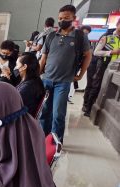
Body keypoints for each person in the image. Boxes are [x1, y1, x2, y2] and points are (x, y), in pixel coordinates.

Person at [39, 4, 91, 142]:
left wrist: (80, 75)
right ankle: (43, 140)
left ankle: (56, 142)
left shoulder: (80, 36)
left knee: (58, 114)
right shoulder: (51, 36)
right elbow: (43, 58)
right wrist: (37, 76)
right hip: (47, 79)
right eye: (60, 18)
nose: (62, 20)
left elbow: (88, 55)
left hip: (63, 82)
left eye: (66, 18)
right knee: (44, 112)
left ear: (74, 18)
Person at [82, 19, 120, 116]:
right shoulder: (107, 36)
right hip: (100, 65)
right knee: (95, 86)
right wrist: (110, 52)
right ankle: (88, 108)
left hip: (114, 68)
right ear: (117, 24)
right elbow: (96, 52)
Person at [14, 52, 46, 117]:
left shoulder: (28, 87)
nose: (15, 67)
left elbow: (14, 105)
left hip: (21, 119)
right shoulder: (34, 80)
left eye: (17, 65)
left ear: (24, 67)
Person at [68, 25, 92, 104]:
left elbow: (88, 56)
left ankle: (69, 96)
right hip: (68, 65)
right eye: (84, 33)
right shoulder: (73, 38)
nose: (85, 35)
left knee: (72, 81)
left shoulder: (87, 42)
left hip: (76, 65)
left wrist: (81, 73)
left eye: (87, 33)